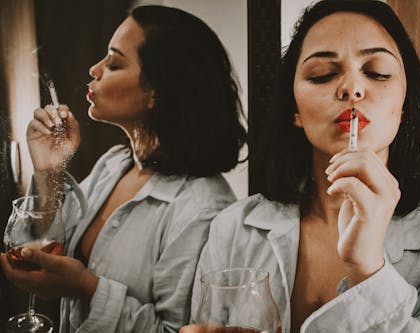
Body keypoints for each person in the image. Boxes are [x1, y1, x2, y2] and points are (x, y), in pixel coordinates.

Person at [183, 0, 420, 332]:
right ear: (295, 110)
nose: (352, 88)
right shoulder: (234, 229)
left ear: (404, 105)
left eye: (377, 72)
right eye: (322, 74)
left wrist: (368, 269)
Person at [0, 5, 246, 332]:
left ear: (157, 91)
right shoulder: (114, 164)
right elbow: (48, 241)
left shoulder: (203, 210)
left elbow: (176, 330)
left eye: (113, 63)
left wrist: (86, 288)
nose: (94, 69)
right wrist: (50, 171)